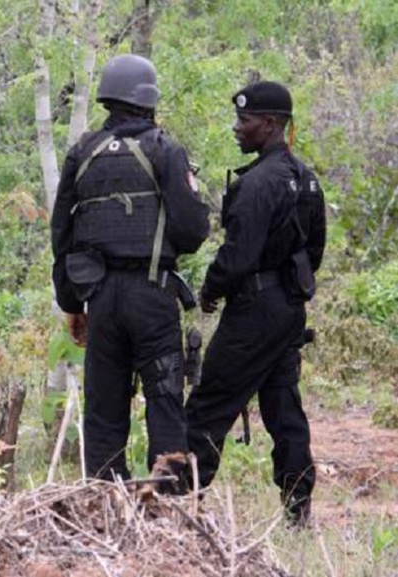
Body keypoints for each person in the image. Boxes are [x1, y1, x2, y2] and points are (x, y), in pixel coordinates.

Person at [50, 54, 210, 490]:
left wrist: (72, 303)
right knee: (163, 401)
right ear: (148, 99)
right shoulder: (165, 149)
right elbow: (193, 229)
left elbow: (61, 233)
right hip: (153, 297)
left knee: (104, 409)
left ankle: (105, 504)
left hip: (99, 299)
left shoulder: (82, 152)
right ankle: (170, 505)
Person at [184, 81, 326, 525]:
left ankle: (179, 504)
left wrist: (210, 289)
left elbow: (237, 257)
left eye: (244, 121)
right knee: (284, 410)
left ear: (270, 124)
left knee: (209, 405)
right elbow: (315, 249)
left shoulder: (257, 184)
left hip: (253, 313)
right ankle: (298, 512)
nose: (236, 128)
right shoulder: (307, 179)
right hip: (288, 310)